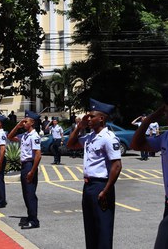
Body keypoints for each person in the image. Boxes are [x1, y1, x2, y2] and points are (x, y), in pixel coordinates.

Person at [66, 98, 122, 249]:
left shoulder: (108, 138)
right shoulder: (90, 137)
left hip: (102, 186)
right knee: (90, 228)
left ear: (102, 118)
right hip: (89, 186)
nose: (88, 119)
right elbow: (70, 144)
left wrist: (106, 190)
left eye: (92, 116)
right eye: (88, 116)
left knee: (103, 229)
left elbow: (117, 166)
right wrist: (79, 126)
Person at [130, 88, 168, 248]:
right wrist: (149, 119)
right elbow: (136, 145)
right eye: (166, 111)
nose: (167, 115)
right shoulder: (167, 137)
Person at [7, 110, 42, 229]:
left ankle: (34, 220)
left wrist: (32, 171)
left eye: (25, 121)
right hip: (24, 166)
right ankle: (30, 216)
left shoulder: (34, 136)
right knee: (26, 193)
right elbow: (10, 137)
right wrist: (17, 126)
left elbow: (38, 155)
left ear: (32, 122)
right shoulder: (25, 135)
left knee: (30, 193)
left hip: (29, 165)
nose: (23, 123)